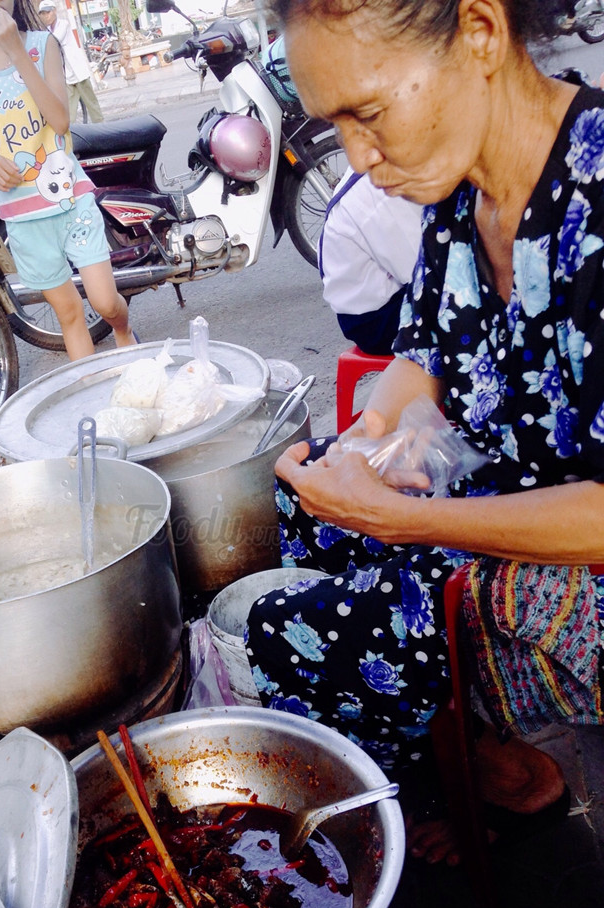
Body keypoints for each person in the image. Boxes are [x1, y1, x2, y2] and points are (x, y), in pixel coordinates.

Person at [244, 0, 604, 863]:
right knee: (300, 504)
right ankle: (497, 766)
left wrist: (406, 518)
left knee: (291, 629)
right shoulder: (459, 186)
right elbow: (423, 354)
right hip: (502, 488)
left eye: (368, 114)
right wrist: (365, 441)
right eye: (336, 126)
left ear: (480, 31)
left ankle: (465, 777)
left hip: (583, 551)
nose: (359, 160)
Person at [0, 0, 135, 361]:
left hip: (70, 200)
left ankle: (123, 330)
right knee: (69, 314)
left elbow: (60, 121)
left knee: (106, 303)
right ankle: (91, 387)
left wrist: (17, 53)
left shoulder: (41, 44)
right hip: (22, 214)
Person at [320, 168, 422, 355]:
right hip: (375, 320)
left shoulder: (382, 172)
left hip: (383, 299)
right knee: (464, 305)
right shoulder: (381, 191)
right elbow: (421, 271)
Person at [37, 0, 104, 123]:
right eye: (43, 14)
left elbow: (55, 40)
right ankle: (72, 131)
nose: (46, 16)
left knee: (91, 104)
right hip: (67, 76)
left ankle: (101, 127)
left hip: (78, 72)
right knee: (69, 110)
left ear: (54, 11)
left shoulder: (63, 24)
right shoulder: (46, 31)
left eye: (48, 12)